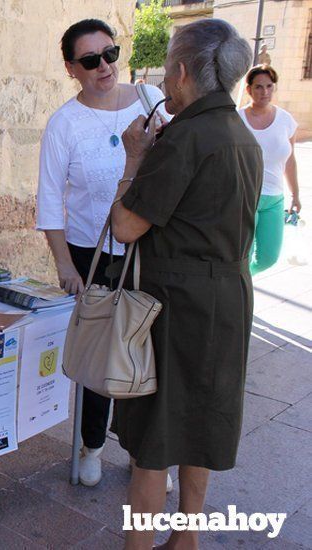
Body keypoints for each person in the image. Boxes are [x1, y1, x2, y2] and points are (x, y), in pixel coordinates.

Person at [109, 19, 259, 550]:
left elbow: (126, 226)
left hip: (175, 303)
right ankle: (186, 536)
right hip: (228, 298)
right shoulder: (240, 132)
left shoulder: (187, 137)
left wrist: (133, 159)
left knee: (155, 438)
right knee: (202, 420)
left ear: (179, 73)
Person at [36, 19, 168, 488]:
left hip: (151, 249)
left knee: (150, 348)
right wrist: (64, 264)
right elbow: (50, 201)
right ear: (72, 68)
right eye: (90, 60)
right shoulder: (64, 124)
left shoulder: (153, 102)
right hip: (93, 252)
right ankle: (92, 443)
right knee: (101, 353)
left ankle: (144, 452)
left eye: (109, 54)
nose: (104, 66)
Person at [238, 64, 301, 274]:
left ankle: (244, 283)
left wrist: (295, 195)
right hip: (245, 198)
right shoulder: (237, 120)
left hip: (274, 199)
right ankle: (243, 300)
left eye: (268, 86)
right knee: (243, 257)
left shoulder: (286, 120)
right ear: (248, 89)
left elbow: (290, 161)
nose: (264, 92)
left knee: (268, 259)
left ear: (274, 88)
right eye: (258, 87)